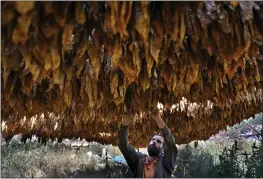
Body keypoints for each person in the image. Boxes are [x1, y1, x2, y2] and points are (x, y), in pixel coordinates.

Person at [118, 109, 178, 178]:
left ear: (162, 150)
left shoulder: (165, 163)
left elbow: (171, 146)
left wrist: (158, 120)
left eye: (158, 141)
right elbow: (123, 145)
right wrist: (125, 123)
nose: (154, 142)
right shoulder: (138, 160)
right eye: (153, 140)